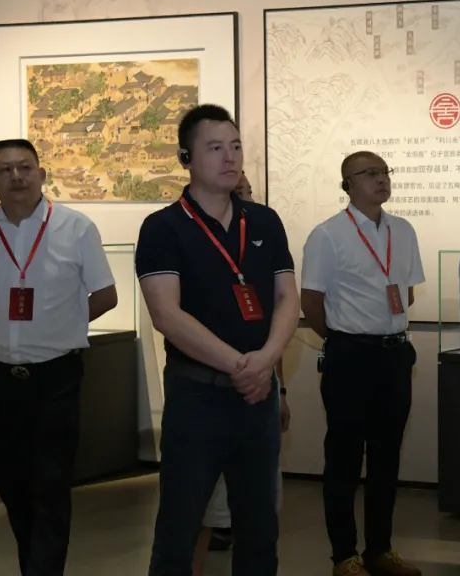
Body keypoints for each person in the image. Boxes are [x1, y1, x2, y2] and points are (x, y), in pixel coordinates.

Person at [137, 105, 299, 576]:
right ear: (186, 158)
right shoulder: (163, 227)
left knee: (260, 531)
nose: (230, 157)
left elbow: (287, 298)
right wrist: (240, 365)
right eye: (214, 148)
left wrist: (265, 361)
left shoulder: (264, 221)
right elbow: (167, 315)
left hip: (257, 398)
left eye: (236, 146)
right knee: (180, 529)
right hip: (198, 398)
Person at [0, 138, 118, 576]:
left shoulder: (76, 228)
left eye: (25, 167)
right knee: (11, 484)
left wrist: (57, 326)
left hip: (55, 378)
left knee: (51, 486)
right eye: (5, 171)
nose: (17, 177)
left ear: (42, 174)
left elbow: (106, 295)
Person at [300, 151, 425, 576]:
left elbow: (406, 293)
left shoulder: (403, 230)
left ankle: (380, 550)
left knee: (387, 458)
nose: (381, 179)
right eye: (370, 173)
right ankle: (344, 555)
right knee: (345, 460)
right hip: (350, 358)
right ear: (348, 184)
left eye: (384, 171)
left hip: (395, 355)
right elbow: (311, 302)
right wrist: (343, 340)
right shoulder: (328, 234)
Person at [191, 170, 292, 576]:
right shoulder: (188, 236)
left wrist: (277, 388)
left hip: (261, 385)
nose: (242, 197)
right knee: (200, 509)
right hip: (209, 388)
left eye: (246, 191)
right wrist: (240, 367)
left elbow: (275, 321)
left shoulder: (263, 234)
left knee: (259, 508)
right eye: (236, 191)